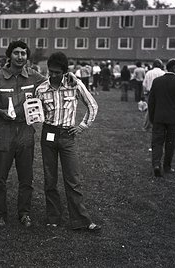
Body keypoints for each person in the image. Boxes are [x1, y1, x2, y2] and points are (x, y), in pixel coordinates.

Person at [35, 51, 101, 232]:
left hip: (67, 136)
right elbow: (34, 111)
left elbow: (92, 105)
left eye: (57, 72)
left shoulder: (75, 85)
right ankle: (53, 217)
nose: (53, 75)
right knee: (50, 179)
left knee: (72, 178)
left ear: (64, 72)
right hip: (48, 134)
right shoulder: (41, 89)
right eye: (51, 72)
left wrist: (82, 126)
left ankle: (80, 220)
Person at [0, 40, 46, 228]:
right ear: (9, 56)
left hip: (26, 130)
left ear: (27, 57)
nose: (20, 57)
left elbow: (51, 89)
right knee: (0, 177)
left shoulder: (35, 77)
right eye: (17, 53)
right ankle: (0, 214)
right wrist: (0, 112)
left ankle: (24, 213)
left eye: (24, 53)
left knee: (26, 177)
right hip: (4, 130)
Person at [148, 58, 175, 177]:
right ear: (173, 67)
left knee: (157, 142)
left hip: (158, 117)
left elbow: (151, 101)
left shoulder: (157, 81)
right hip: (173, 119)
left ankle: (156, 165)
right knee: (170, 143)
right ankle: (167, 166)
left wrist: (152, 117)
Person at [142, 59, 165, 131]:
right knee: (160, 110)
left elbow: (144, 84)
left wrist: (145, 93)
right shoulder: (163, 73)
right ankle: (158, 126)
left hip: (150, 93)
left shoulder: (149, 73)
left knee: (149, 110)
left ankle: (146, 126)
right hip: (161, 93)